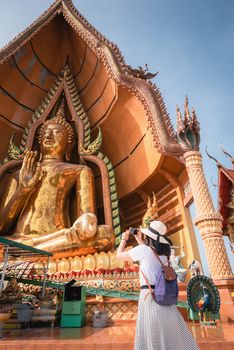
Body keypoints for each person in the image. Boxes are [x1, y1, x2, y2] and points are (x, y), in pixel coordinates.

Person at [0, 105, 114, 253]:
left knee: (105, 234)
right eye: (45, 133)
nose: (48, 136)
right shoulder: (18, 174)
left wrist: (85, 220)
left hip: (58, 237)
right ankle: (32, 253)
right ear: (38, 141)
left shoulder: (79, 171)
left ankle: (24, 254)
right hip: (18, 240)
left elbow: (86, 219)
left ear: (69, 145)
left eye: (56, 132)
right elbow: (2, 226)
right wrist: (23, 189)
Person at [116, 220, 199, 350]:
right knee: (168, 337)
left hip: (149, 297)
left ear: (149, 237)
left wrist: (123, 239)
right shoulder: (164, 256)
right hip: (164, 297)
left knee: (151, 335)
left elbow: (119, 256)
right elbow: (150, 254)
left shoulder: (143, 250)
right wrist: (139, 239)